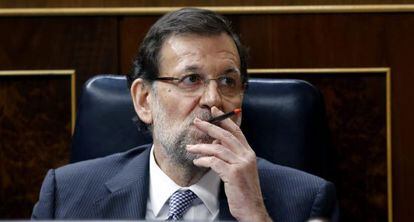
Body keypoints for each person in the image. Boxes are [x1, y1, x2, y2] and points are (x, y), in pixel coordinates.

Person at [32, 8, 338, 221]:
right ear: (144, 100)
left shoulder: (305, 201)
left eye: (228, 82)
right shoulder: (67, 196)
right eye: (191, 79)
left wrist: (255, 215)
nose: (213, 99)